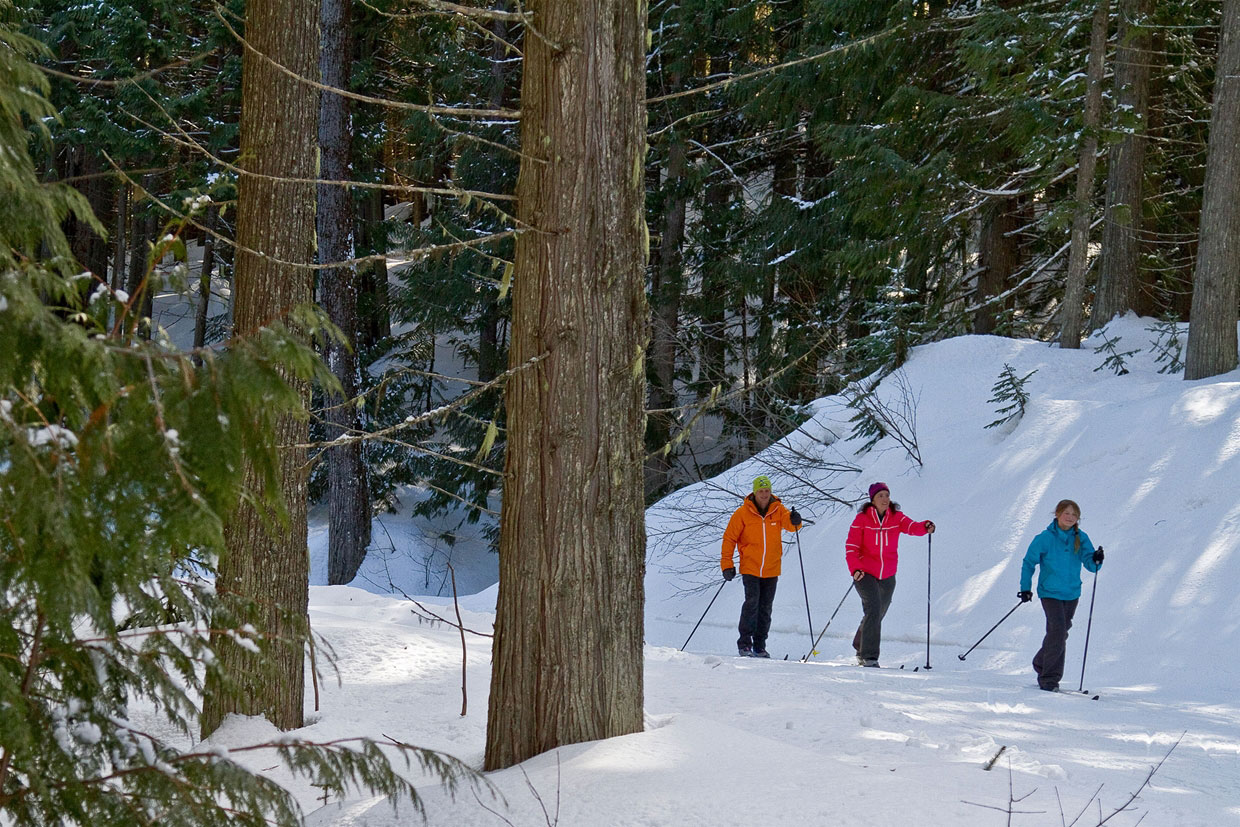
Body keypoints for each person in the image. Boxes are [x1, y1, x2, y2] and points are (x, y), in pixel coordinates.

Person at [844, 482, 935, 667]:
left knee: (878, 612)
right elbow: (851, 547)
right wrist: (855, 569)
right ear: (872, 500)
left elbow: (912, 527)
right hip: (864, 573)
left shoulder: (896, 517)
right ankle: (869, 657)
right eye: (881, 496)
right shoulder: (861, 520)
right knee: (874, 608)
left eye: (887, 495)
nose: (885, 499)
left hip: (888, 573)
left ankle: (859, 644)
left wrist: (925, 526)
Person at [1018, 499, 1103, 691]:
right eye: (1067, 513)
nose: (1071, 518)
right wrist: (1025, 588)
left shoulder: (1081, 538)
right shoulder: (1044, 538)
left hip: (1072, 592)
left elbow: (1091, 565)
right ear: (1057, 514)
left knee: (1061, 632)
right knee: (1057, 630)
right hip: (1050, 592)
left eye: (1075, 515)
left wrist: (1097, 559)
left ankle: (1041, 661)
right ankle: (1049, 679)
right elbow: (1029, 562)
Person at [721, 475, 802, 658]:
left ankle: (759, 645)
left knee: (766, 607)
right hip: (750, 566)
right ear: (755, 493)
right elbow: (729, 538)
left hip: (771, 567)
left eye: (767, 491)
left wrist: (796, 520)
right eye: (761, 491)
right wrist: (727, 564)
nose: (764, 494)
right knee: (752, 604)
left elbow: (791, 526)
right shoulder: (742, 513)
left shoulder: (778, 509)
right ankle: (745, 644)